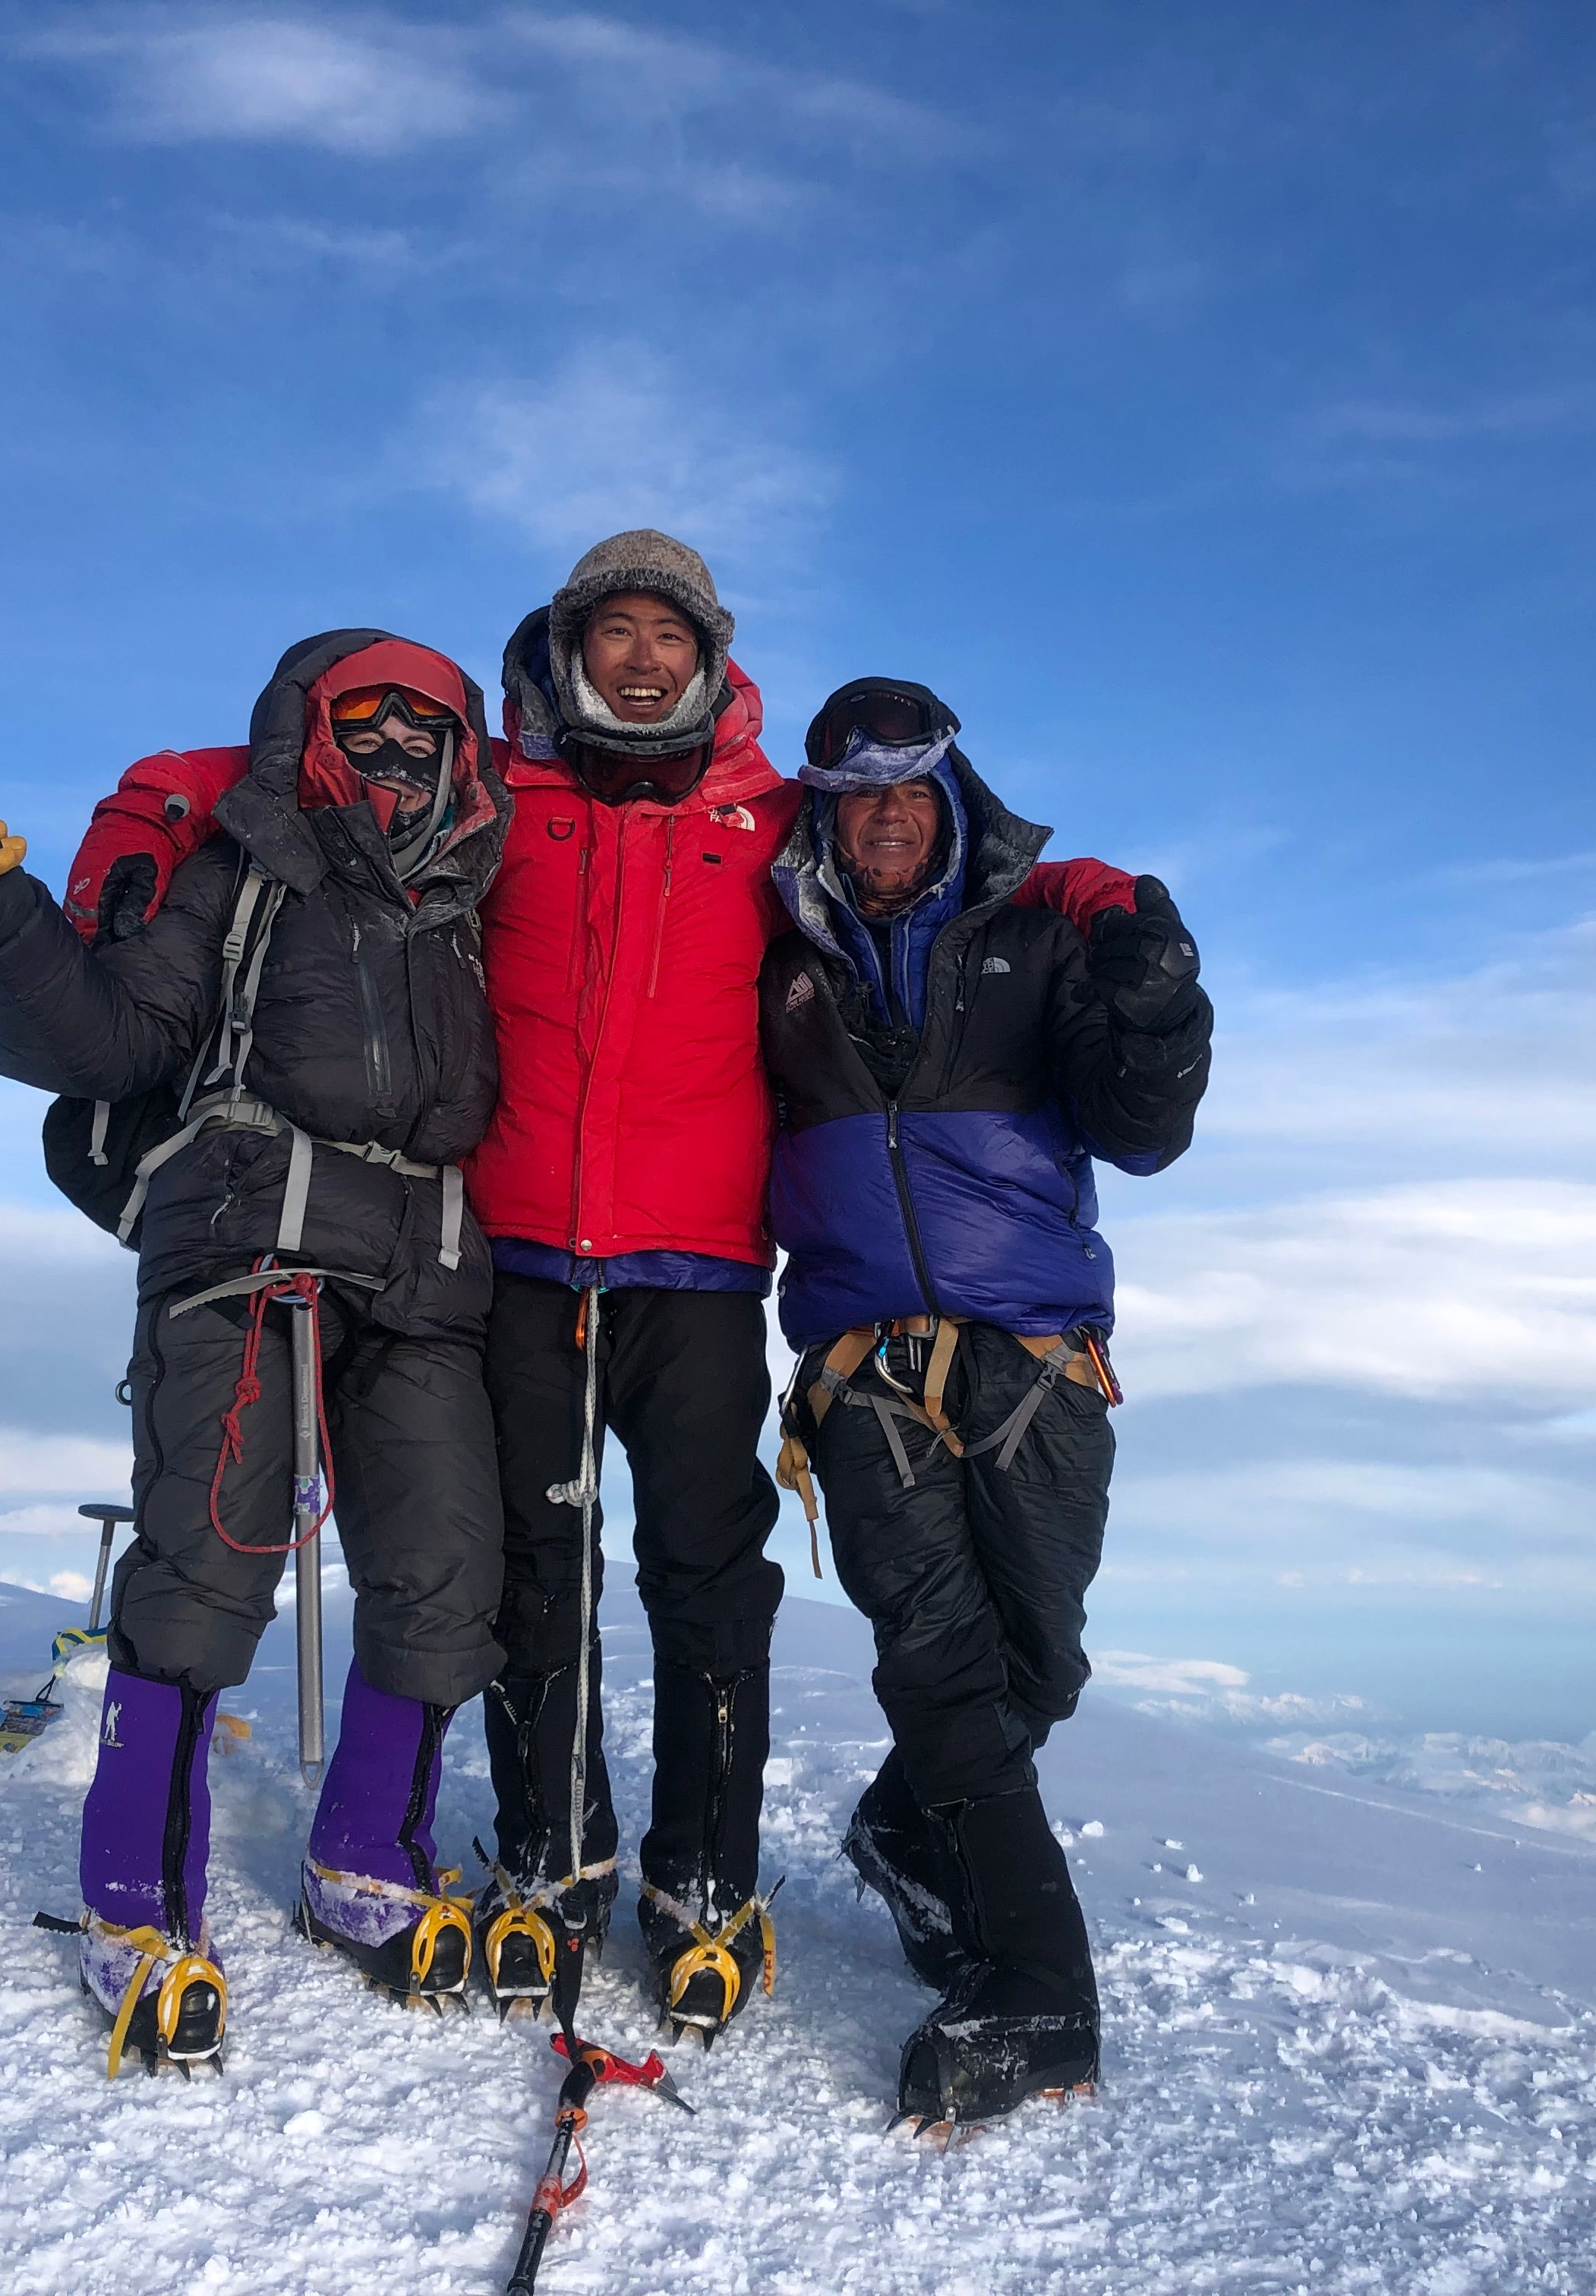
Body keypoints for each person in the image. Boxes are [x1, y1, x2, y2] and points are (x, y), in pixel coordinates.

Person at [467, 534, 1144, 2042]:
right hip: (521, 1253)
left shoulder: (775, 819)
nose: (640, 658)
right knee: (534, 1569)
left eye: (668, 633)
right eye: (613, 632)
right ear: (570, 649)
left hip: (702, 1267)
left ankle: (704, 1879)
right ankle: (546, 1855)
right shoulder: (496, 809)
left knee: (713, 1587)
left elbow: (942, 873)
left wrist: (1090, 887)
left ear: (709, 655)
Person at [0, 630, 512, 2071]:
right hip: (250, 1238)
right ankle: (134, 1899)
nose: (397, 749)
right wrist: (6, 928)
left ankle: (365, 1865)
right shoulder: (244, 868)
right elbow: (116, 1038)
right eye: (366, 722)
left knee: (446, 1569)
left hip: (428, 1263)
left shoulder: (472, 904)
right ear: (314, 731)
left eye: (426, 728)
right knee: (205, 1564)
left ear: (465, 752)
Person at [759, 676, 1211, 2130]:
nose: (885, 818)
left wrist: (1158, 1013)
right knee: (944, 1668)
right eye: (857, 796)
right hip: (861, 1361)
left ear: (948, 794)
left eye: (910, 790)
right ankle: (1039, 1993)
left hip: (1037, 1358)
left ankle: (905, 1828)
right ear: (825, 811)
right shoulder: (774, 955)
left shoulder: (1044, 935)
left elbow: (1142, 1137)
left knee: (1040, 1667)